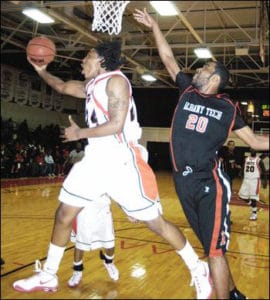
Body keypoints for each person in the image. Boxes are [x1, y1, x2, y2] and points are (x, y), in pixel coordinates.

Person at [13, 40, 212, 299]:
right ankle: (49, 274)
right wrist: (40, 70)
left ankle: (198, 269)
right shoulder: (92, 85)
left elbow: (117, 125)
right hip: (96, 158)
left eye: (88, 56)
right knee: (64, 214)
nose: (82, 61)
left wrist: (79, 133)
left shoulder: (116, 82)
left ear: (102, 61)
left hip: (120, 160)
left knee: (155, 224)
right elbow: (62, 86)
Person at [133, 8, 269, 300]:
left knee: (215, 251)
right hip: (183, 183)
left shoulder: (228, 108)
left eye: (205, 69)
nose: (198, 70)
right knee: (211, 246)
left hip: (210, 183)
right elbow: (169, 59)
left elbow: (256, 141)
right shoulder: (186, 91)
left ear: (215, 80)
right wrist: (155, 25)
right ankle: (232, 293)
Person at [68, 194, 119, 287]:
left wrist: (129, 212)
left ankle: (109, 262)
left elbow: (117, 191)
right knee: (80, 244)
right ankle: (77, 271)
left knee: (110, 243)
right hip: (84, 211)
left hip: (103, 210)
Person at [238, 149, 267, 220]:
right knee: (241, 196)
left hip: (255, 181)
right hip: (246, 180)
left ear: (256, 151)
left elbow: (264, 171)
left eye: (254, 150)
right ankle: (252, 205)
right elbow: (243, 168)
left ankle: (254, 214)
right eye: (252, 150)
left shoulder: (259, 160)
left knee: (253, 198)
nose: (253, 151)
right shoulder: (246, 159)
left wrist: (265, 181)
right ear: (250, 151)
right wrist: (241, 173)